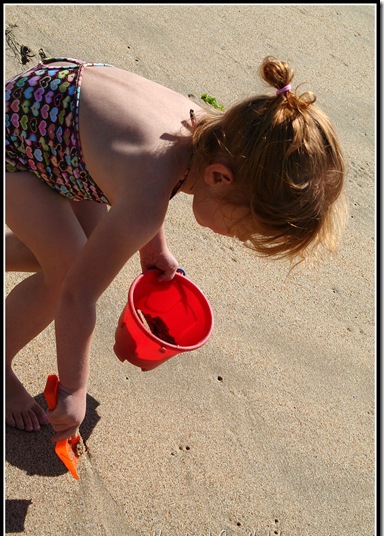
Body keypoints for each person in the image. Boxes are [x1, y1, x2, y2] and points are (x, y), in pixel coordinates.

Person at [5, 55, 346, 439]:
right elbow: (76, 297)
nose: (235, 237)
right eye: (241, 229)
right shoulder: (149, 197)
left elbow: (139, 177)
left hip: (59, 115)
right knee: (69, 270)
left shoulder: (206, 131)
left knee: (74, 252)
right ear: (220, 178)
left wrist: (152, 250)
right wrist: (72, 388)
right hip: (18, 142)